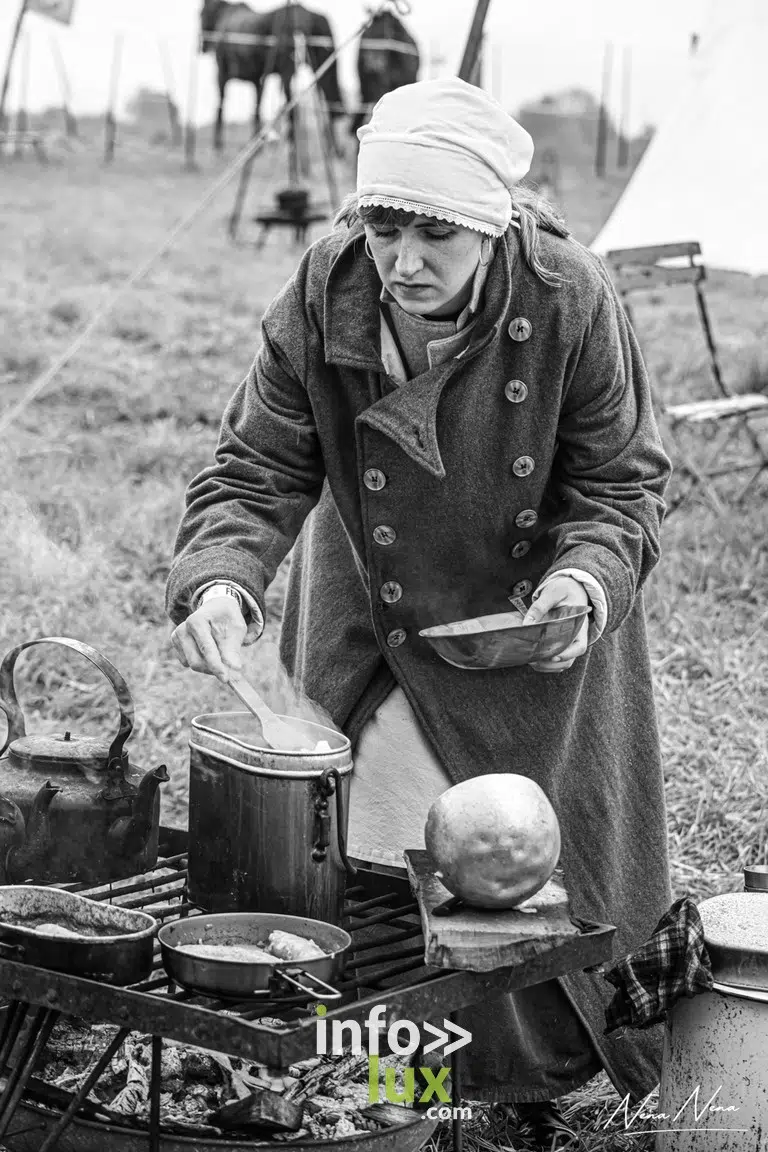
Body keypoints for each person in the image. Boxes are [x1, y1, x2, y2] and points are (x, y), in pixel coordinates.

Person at [166, 77, 672, 1149]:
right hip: (374, 609)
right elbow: (258, 465)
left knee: (514, 868)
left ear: (492, 224)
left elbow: (619, 485)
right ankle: (379, 1084)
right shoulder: (326, 288)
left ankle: (517, 1091)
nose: (403, 261)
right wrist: (220, 578)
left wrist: (585, 584)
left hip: (523, 632)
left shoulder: (569, 298)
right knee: (367, 855)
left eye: (436, 234)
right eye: (384, 228)